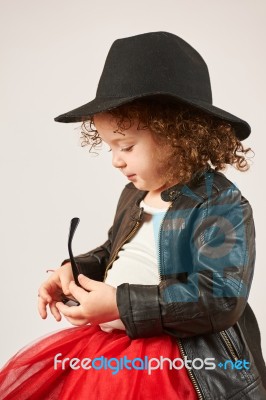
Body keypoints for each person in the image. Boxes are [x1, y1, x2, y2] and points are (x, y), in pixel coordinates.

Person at [0, 31, 265, 399]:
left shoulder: (219, 204)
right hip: (111, 343)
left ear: (178, 134)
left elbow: (219, 297)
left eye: (125, 146)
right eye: (109, 146)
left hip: (181, 363)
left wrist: (120, 303)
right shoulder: (134, 195)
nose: (115, 160)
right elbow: (115, 250)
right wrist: (75, 272)